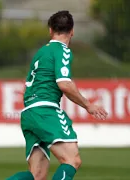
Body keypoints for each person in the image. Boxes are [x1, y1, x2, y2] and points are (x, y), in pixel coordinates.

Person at [6, 11, 108, 180]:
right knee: (72, 159)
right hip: (46, 110)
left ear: (50, 30)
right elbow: (64, 83)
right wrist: (88, 105)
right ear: (72, 31)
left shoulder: (41, 52)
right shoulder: (62, 50)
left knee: (37, 175)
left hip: (29, 112)